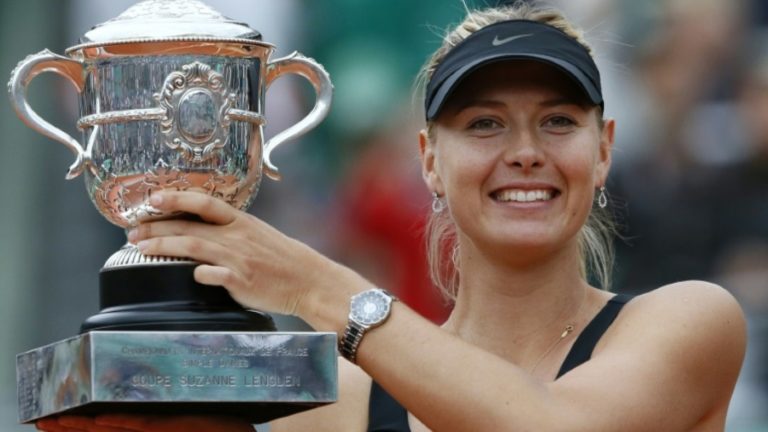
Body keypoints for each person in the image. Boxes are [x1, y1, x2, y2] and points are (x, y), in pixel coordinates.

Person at [36, 3, 746, 432]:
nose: (526, 152)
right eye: (485, 124)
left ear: (604, 150)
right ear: (429, 160)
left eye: (558, 121)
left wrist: (313, 285)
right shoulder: (336, 403)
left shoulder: (690, 323)